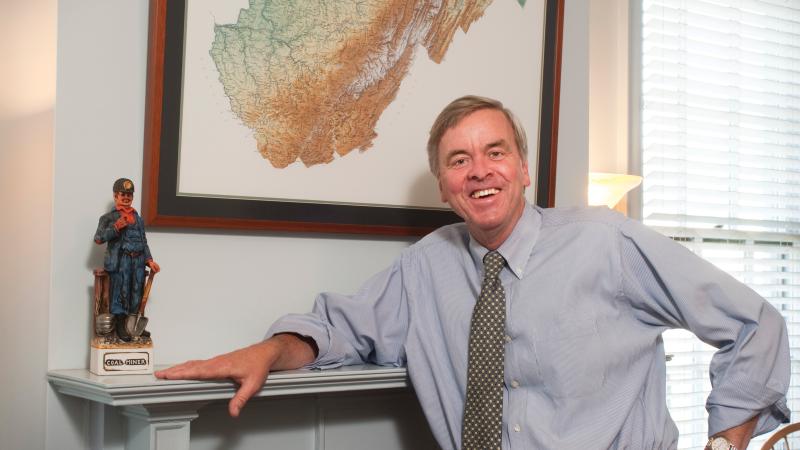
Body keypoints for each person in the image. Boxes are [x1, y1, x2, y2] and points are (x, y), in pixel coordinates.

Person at [156, 96, 789, 450]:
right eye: (460, 160)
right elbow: (341, 329)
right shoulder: (426, 266)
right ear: (444, 185)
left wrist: (727, 444)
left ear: (524, 168)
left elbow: (754, 324)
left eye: (495, 152)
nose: (479, 170)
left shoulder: (607, 242)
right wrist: (270, 350)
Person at [94, 178, 160, 341]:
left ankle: (133, 326)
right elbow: (98, 238)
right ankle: (120, 326)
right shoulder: (108, 218)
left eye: (129, 195)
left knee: (136, 292)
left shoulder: (138, 219)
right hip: (121, 261)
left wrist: (149, 260)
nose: (126, 197)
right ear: (116, 196)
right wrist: (116, 227)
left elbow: (143, 241)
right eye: (123, 194)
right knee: (120, 293)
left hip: (137, 262)